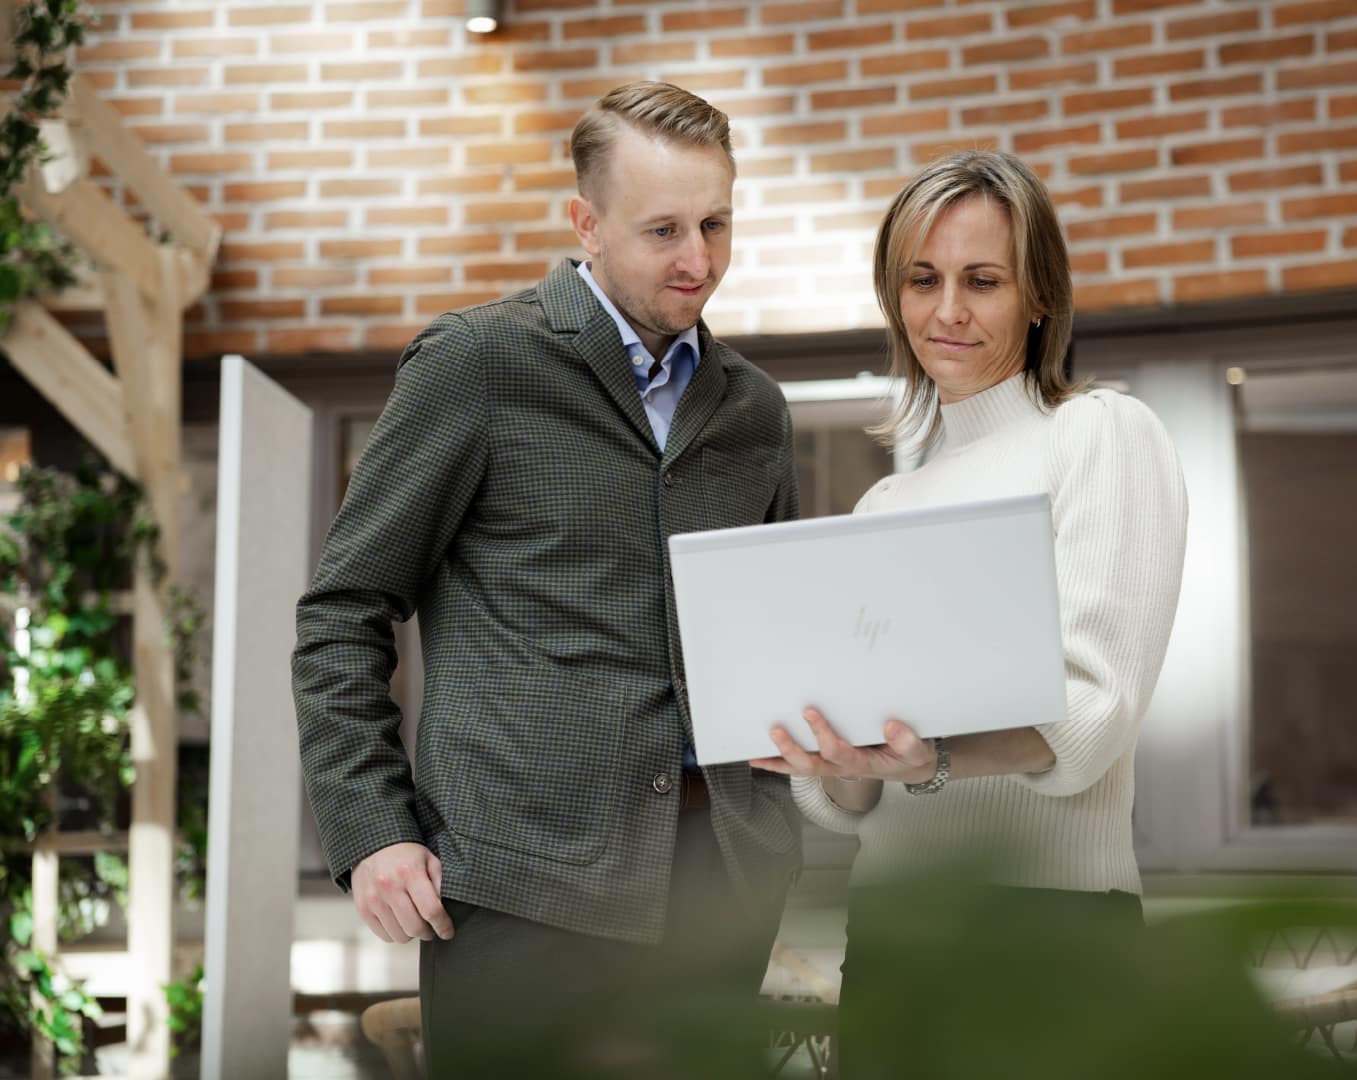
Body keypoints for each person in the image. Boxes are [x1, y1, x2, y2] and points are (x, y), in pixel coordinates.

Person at [292, 82, 802, 1076]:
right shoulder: (477, 364)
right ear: (587, 223)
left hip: (721, 886)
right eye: (662, 230)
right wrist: (374, 829)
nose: (698, 259)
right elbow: (346, 610)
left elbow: (768, 633)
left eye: (715, 223)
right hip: (520, 889)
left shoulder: (757, 412)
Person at [750, 150, 1189, 1076]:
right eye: (922, 279)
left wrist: (936, 759)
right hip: (893, 927)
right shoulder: (882, 508)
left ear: (1038, 298)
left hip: (1049, 927)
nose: (946, 312)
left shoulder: (1098, 436)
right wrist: (838, 761)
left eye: (981, 281)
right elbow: (859, 797)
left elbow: (1092, 711)